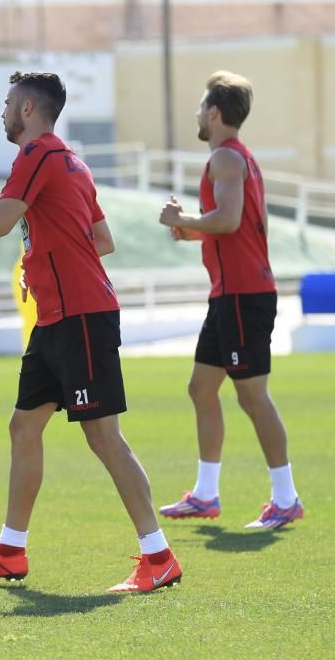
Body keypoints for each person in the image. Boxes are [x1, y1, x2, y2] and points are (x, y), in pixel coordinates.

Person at [0, 71, 182, 593]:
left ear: (29, 109)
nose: (3, 112)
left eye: (8, 103)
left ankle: (159, 556)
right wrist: (47, 257)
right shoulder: (72, 161)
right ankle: (10, 549)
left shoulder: (37, 156)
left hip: (80, 316)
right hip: (58, 317)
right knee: (23, 426)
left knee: (103, 437)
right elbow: (102, 239)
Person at [157, 71, 303, 529]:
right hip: (229, 294)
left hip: (244, 294)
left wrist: (185, 218)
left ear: (215, 113)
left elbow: (229, 219)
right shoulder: (235, 158)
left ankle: (286, 498)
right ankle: (205, 494)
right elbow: (227, 224)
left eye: (202, 107)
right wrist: (191, 229)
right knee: (201, 388)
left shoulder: (224, 157)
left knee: (252, 395)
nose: (198, 114)